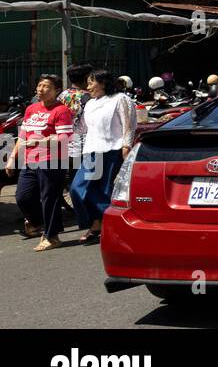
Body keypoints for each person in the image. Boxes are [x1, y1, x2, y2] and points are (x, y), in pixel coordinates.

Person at [6, 72, 74, 251]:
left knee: (49, 199)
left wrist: (40, 142)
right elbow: (22, 136)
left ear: (57, 90)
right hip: (30, 161)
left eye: (47, 87)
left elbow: (64, 138)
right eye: (40, 86)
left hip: (53, 161)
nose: (41, 89)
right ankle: (38, 223)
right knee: (23, 197)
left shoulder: (62, 111)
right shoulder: (31, 109)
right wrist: (12, 158)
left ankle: (52, 236)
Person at [69, 70, 135, 245]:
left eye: (91, 83)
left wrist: (126, 146)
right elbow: (81, 128)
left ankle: (101, 225)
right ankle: (103, 221)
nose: (88, 86)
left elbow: (128, 125)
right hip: (91, 151)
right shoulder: (90, 104)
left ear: (103, 83)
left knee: (106, 190)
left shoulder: (120, 99)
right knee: (78, 188)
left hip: (113, 149)